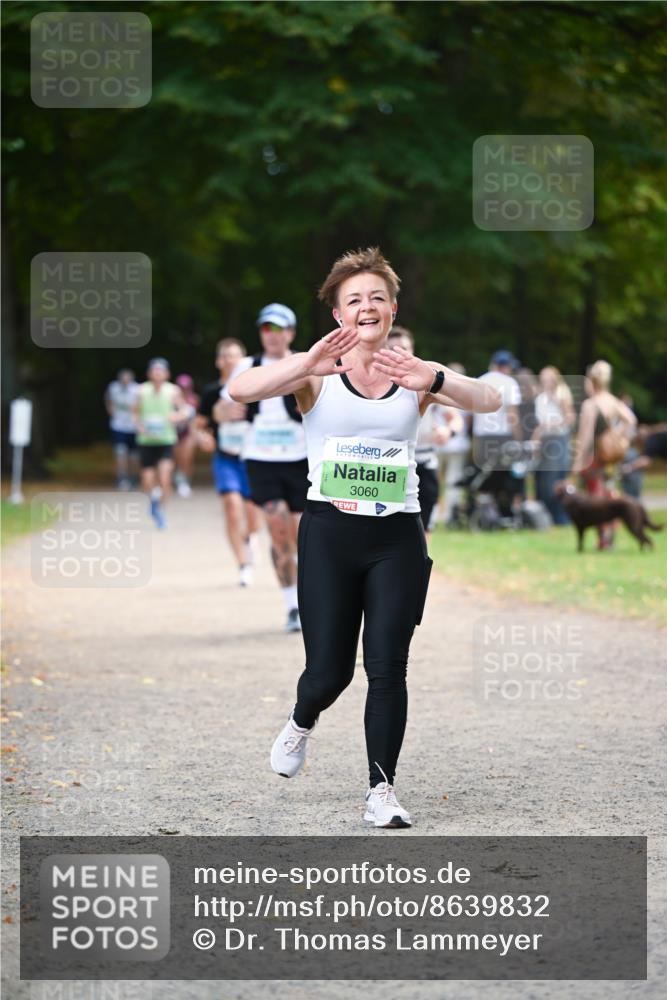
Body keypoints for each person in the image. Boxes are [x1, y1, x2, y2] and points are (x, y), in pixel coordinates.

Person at [228, 247, 501, 828]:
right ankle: (302, 720)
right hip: (329, 534)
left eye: (377, 297)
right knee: (330, 672)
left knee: (388, 667)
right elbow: (240, 390)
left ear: (392, 306)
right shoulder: (315, 373)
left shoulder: (414, 374)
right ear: (337, 314)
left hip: (395, 538)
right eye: (354, 299)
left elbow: (492, 399)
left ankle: (381, 789)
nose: (367, 306)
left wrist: (439, 378)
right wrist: (305, 363)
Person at [224, 304, 309, 631]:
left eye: (279, 328)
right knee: (278, 531)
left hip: (301, 459)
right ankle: (291, 607)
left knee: (306, 536)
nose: (272, 335)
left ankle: (308, 597)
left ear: (291, 332)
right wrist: (223, 413)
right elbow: (223, 404)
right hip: (261, 460)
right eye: (266, 329)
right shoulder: (247, 366)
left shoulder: (304, 362)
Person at [198, 338, 262, 587]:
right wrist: (202, 437)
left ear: (244, 360)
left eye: (234, 355)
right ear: (217, 361)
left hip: (254, 457)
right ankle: (243, 565)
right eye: (224, 356)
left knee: (252, 513)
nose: (229, 360)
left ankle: (252, 537)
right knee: (232, 509)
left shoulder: (257, 388)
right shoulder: (211, 392)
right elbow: (199, 425)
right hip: (226, 458)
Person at [387, 327, 458, 535]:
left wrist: (447, 431)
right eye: (393, 349)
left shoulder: (426, 381)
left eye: (404, 348)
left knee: (423, 528)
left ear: (412, 350)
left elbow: (455, 420)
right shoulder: (372, 383)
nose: (399, 353)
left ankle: (421, 567)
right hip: (390, 466)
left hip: (424, 464)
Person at [570, 360, 637, 549]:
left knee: (596, 500)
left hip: (594, 459)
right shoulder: (612, 400)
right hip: (610, 459)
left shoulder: (590, 405)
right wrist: (618, 436)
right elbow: (631, 420)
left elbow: (584, 438)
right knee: (610, 496)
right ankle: (609, 537)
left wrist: (576, 464)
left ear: (591, 380)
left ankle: (603, 539)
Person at [133, 358, 190, 529]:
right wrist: (139, 426)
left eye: (161, 370)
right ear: (149, 373)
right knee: (148, 480)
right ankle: (153, 500)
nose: (157, 374)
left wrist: (177, 416)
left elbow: (185, 411)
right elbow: (134, 413)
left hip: (166, 439)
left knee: (165, 478)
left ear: (167, 374)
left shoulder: (173, 391)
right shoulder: (141, 390)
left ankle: (160, 510)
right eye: (154, 370)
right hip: (146, 441)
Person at [472, 350, 522, 519]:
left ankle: (482, 512)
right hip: (501, 436)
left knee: (482, 476)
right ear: (506, 367)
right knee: (501, 477)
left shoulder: (480, 380)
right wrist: (519, 437)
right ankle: (502, 512)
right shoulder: (510, 383)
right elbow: (512, 414)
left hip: (481, 436)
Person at [532, 366, 575, 525]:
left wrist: (550, 424)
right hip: (544, 441)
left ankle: (560, 517)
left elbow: (569, 418)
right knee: (543, 480)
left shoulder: (562, 395)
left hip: (558, 440)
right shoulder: (540, 398)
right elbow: (540, 424)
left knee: (555, 479)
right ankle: (546, 517)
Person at [104, 368, 139, 490]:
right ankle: (122, 477)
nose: (125, 381)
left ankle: (134, 477)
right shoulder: (113, 388)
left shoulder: (137, 389)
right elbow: (108, 400)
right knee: (120, 452)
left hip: (133, 427)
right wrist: (111, 411)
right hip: (118, 426)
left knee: (134, 455)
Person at [173, 374, 200, 498]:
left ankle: (185, 482)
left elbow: (195, 419)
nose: (184, 389)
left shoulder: (194, 399)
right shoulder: (171, 399)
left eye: (186, 387)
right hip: (174, 432)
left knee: (187, 458)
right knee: (176, 458)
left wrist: (194, 436)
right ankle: (178, 479)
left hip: (187, 432)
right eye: (181, 387)